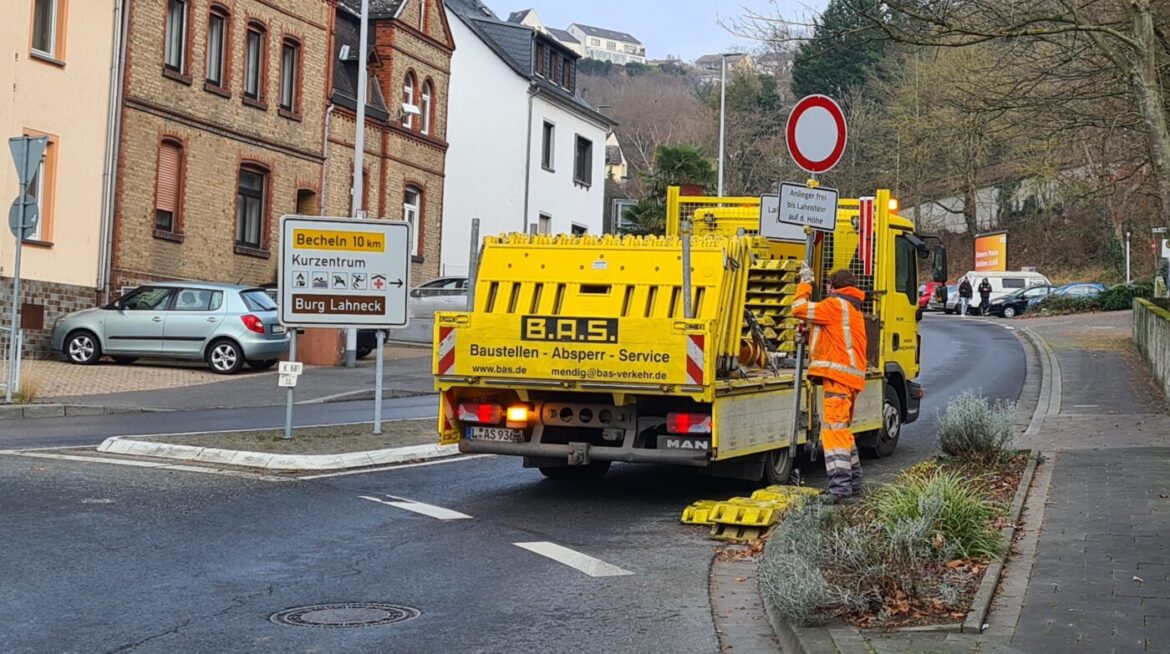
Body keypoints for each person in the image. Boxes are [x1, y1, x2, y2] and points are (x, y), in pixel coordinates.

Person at [792, 264, 868, 502]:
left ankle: (840, 489)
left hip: (838, 379)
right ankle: (853, 484)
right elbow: (833, 339)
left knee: (834, 434)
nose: (825, 290)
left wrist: (805, 281)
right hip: (849, 378)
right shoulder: (850, 308)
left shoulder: (835, 305)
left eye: (826, 287)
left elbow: (798, 308)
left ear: (833, 287)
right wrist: (808, 334)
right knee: (843, 432)